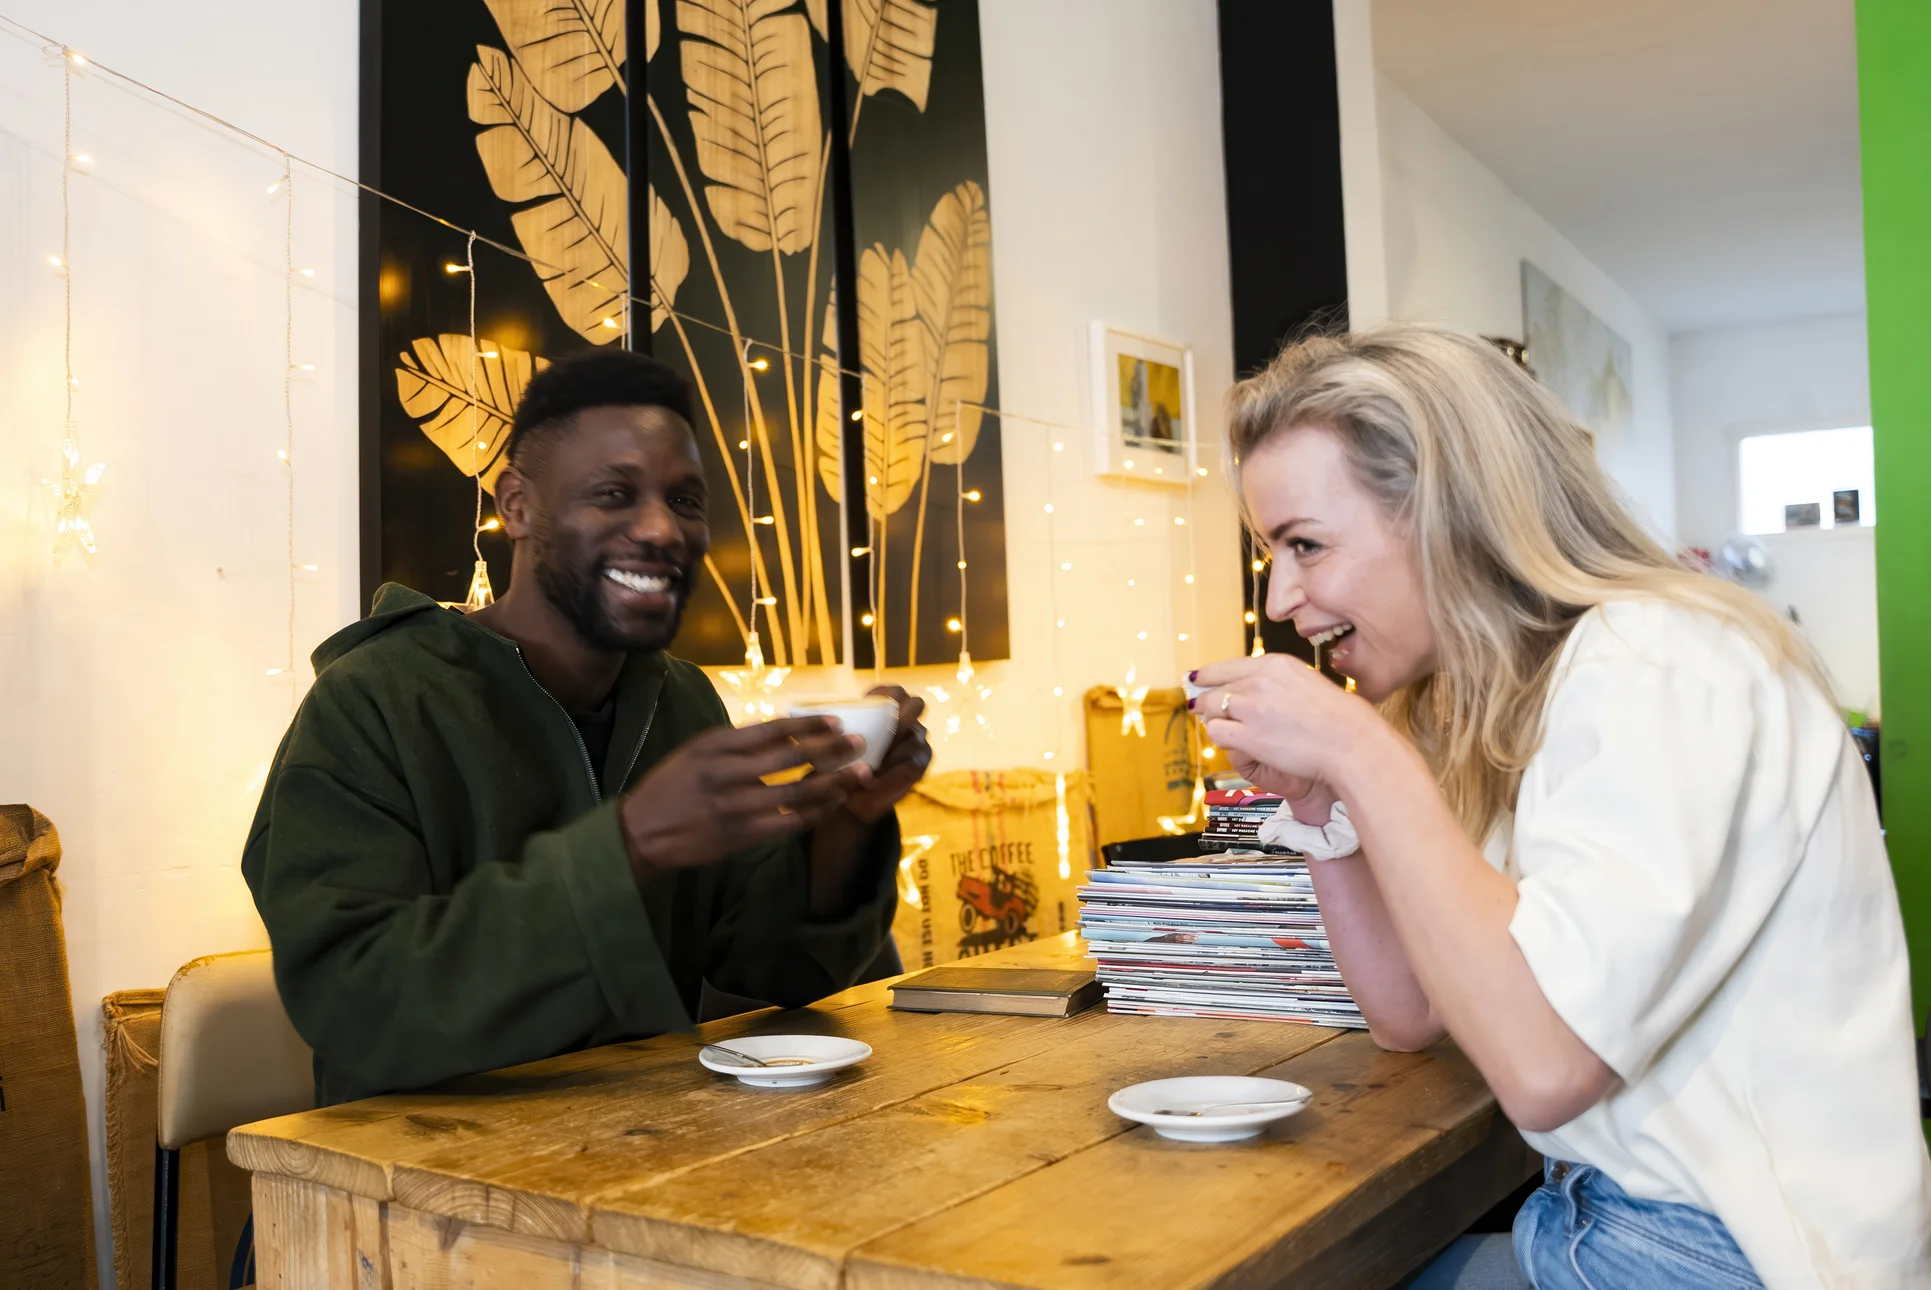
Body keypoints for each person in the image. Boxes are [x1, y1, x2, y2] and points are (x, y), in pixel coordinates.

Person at [1190, 325, 1931, 1289]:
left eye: (1303, 545)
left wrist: (1359, 750)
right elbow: (1409, 1013)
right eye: (1269, 552)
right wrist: (1325, 799)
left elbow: (1543, 1066)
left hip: (1733, 1253)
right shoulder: (1499, 696)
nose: (1282, 596)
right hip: (1608, 1219)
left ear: (1450, 514)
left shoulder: (1659, 661)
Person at [243, 348, 929, 1106]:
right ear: (518, 505)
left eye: (687, 501)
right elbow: (357, 1008)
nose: (662, 530)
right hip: (410, 1183)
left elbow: (769, 975)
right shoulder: (370, 704)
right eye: (613, 493)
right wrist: (628, 844)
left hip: (652, 1147)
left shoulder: (682, 703)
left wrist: (844, 819)